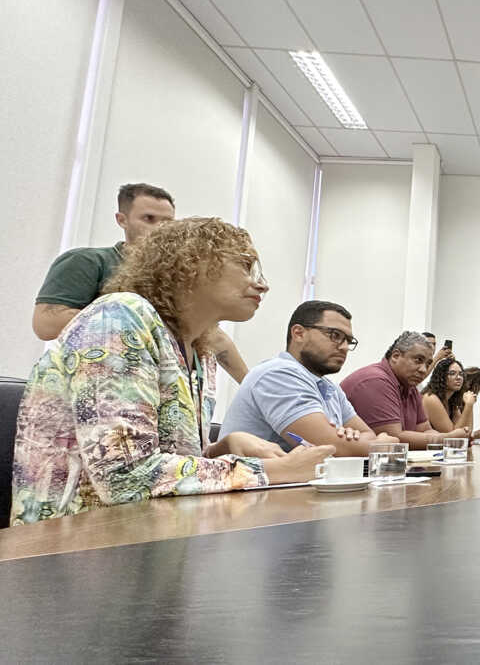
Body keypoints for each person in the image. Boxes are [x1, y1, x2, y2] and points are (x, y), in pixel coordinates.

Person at [10, 218, 334, 525]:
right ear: (191, 264)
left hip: (149, 536)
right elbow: (125, 478)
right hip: (69, 546)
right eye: (246, 265)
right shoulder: (119, 317)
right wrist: (274, 471)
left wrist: (223, 446)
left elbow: (167, 466)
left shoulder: (199, 352)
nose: (261, 284)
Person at [32, 183, 250, 382]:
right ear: (122, 219)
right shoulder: (89, 261)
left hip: (162, 387)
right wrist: (137, 323)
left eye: (168, 222)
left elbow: (213, 337)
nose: (160, 229)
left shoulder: (177, 278)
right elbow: (45, 324)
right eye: (149, 219)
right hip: (97, 382)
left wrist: (251, 387)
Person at [220, 301, 398, 456]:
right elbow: (332, 448)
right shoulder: (278, 374)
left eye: (348, 341)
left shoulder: (329, 387)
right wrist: (377, 442)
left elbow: (368, 436)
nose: (344, 347)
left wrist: (365, 442)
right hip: (254, 491)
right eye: (335, 335)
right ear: (298, 333)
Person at [341, 332, 469, 449]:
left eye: (428, 364)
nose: (423, 370)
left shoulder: (409, 386)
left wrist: (442, 439)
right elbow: (395, 438)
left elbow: (425, 429)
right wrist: (445, 439)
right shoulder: (375, 380)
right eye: (418, 360)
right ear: (396, 356)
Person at [422, 358, 480, 438]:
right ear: (441, 377)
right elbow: (453, 437)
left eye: (461, 374)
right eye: (452, 373)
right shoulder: (431, 398)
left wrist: (470, 405)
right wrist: (468, 405)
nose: (458, 377)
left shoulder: (452, 400)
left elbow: (466, 431)